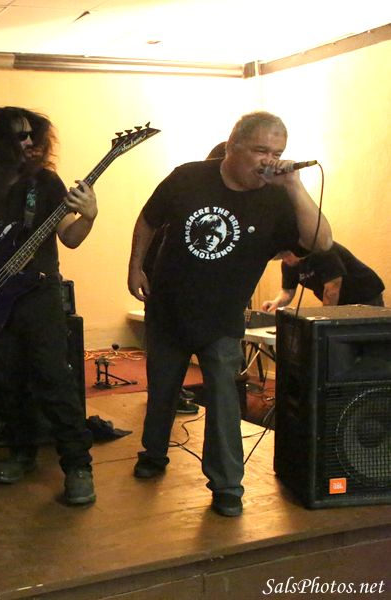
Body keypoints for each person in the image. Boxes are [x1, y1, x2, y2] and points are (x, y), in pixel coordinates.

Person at [127, 111, 332, 517]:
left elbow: (321, 241)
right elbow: (148, 220)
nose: (270, 160)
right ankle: (153, 453)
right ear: (233, 146)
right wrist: (135, 267)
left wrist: (294, 184)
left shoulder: (278, 197)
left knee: (223, 400)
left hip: (222, 316)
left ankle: (226, 486)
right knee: (162, 391)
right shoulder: (188, 177)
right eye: (261, 150)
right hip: (167, 307)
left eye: (277, 152)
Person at [0, 106, 99, 506]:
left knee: (54, 378)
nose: (30, 141)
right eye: (20, 135)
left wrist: (89, 216)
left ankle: (78, 466)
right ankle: (21, 453)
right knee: (6, 381)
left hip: (40, 294)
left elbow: (70, 238)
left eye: (33, 134)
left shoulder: (45, 183)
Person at [142, 141, 228, 416]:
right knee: (167, 357)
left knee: (166, 358)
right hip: (168, 288)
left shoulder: (197, 195)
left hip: (165, 285)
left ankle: (170, 395)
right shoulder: (192, 192)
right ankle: (170, 396)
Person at [262, 242, 385, 311]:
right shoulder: (288, 265)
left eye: (288, 255)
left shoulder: (323, 252)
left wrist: (324, 317)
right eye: (282, 257)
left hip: (365, 294)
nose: (285, 260)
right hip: (342, 302)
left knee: (367, 342)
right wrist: (276, 302)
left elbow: (332, 290)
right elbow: (287, 292)